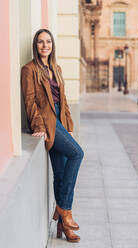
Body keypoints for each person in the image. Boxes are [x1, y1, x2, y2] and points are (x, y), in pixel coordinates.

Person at [21, 29, 84, 243]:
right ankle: (64, 210)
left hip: (60, 121)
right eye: (40, 42)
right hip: (48, 122)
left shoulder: (55, 68)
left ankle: (63, 227)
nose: (44, 46)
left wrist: (69, 125)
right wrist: (38, 125)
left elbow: (63, 100)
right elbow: (30, 101)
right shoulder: (29, 69)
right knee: (77, 154)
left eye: (48, 42)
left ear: (52, 45)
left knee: (60, 172)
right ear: (35, 45)